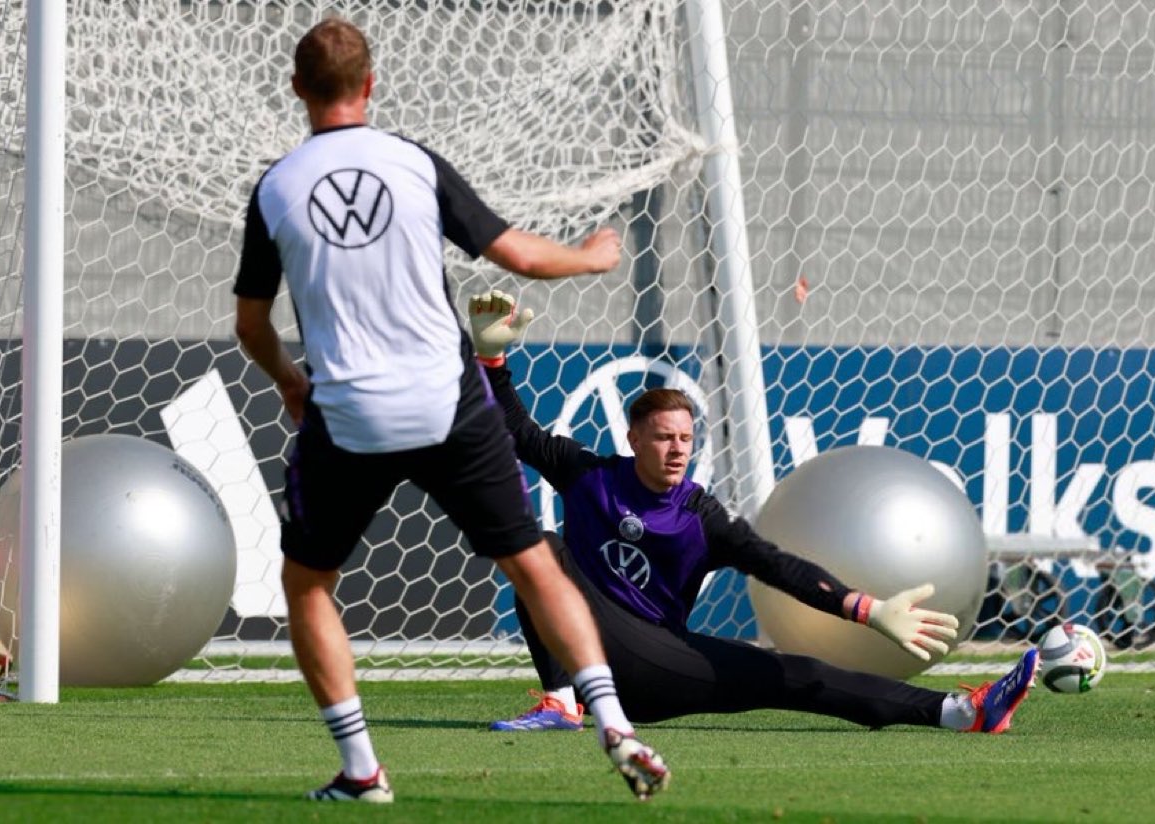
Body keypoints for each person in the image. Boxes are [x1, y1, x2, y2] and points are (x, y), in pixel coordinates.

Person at [233, 18, 668, 803]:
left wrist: (289, 383)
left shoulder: (276, 187)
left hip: (350, 412)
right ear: (371, 87)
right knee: (533, 561)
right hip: (448, 402)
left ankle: (362, 769)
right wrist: (594, 257)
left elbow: (250, 325)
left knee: (306, 585)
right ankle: (612, 722)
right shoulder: (413, 164)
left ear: (297, 89)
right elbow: (521, 258)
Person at [467, 290, 1040, 736]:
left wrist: (867, 610)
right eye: (664, 437)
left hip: (655, 666)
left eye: (686, 438)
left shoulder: (701, 516)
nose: (677, 450)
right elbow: (515, 430)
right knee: (540, 547)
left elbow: (776, 566)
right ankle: (561, 702)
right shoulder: (587, 474)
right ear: (633, 437)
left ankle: (964, 712)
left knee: (798, 675)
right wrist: (491, 356)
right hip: (588, 649)